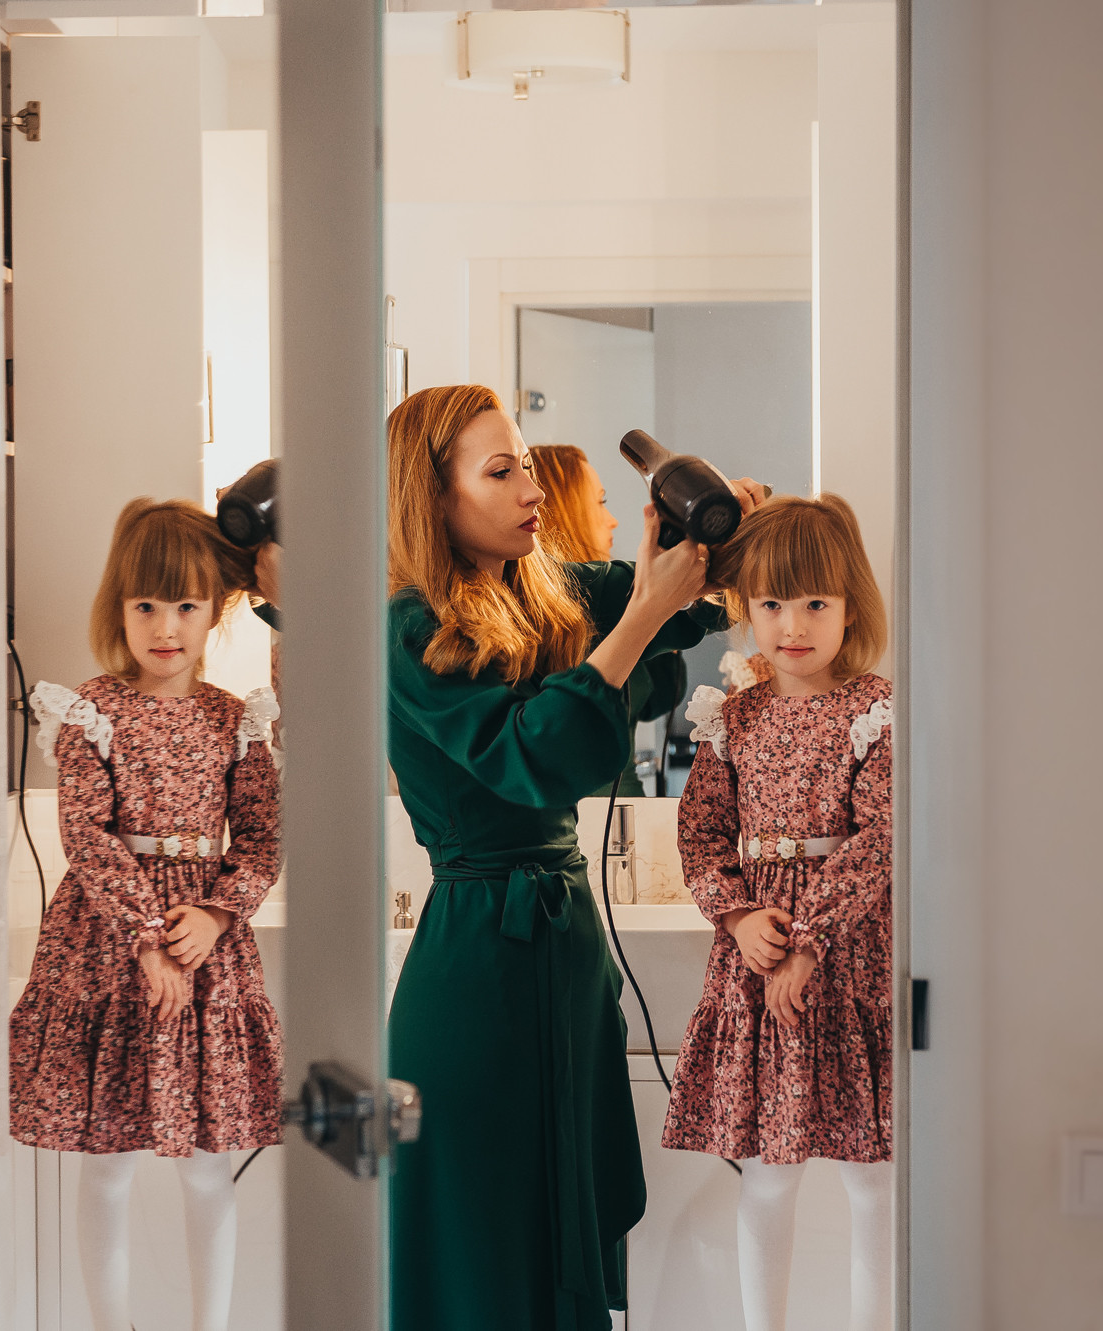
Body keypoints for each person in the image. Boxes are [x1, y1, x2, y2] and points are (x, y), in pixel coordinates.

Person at [385, 384, 759, 1331]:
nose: (532, 488)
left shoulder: (544, 589)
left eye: (526, 462)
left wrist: (713, 545)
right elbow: (532, 754)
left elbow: (676, 602)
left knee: (569, 1220)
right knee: (485, 1243)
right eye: (500, 471)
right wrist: (643, 614)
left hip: (567, 951)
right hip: (476, 963)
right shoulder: (408, 628)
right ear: (434, 497)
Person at [9, 497, 284, 1331]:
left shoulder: (236, 720)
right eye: (146, 605)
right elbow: (86, 835)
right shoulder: (90, 711)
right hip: (106, 948)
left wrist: (217, 914)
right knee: (110, 1162)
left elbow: (262, 839)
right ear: (119, 606)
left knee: (205, 1165)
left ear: (215, 610)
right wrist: (144, 937)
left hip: (206, 954)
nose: (166, 626)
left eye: (187, 605)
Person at [661, 494, 895, 1331]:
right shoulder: (732, 719)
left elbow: (882, 838)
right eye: (771, 603)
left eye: (816, 603)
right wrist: (735, 915)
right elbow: (701, 835)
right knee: (767, 1174)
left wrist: (812, 940)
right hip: (756, 961)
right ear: (746, 608)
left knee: (873, 1180)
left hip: (848, 958)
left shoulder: (873, 711)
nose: (792, 624)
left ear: (850, 607)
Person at [529, 442, 688, 797]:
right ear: (565, 511)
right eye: (600, 502)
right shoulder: (557, 619)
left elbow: (657, 699)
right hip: (585, 814)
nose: (612, 519)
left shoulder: (617, 601)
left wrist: (663, 607)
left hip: (630, 806)